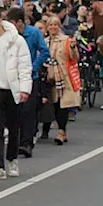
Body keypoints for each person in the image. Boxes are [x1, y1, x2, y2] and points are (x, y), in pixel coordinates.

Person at [0, 7, 32, 180]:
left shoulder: (16, 41)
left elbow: (24, 66)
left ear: (0, 20)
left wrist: (25, 89)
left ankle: (12, 160)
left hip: (13, 90)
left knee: (13, 128)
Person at [9, 8, 48, 157]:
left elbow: (44, 51)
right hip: (12, 77)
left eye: (12, 23)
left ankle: (26, 143)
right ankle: (17, 142)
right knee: (14, 111)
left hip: (30, 77)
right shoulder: (8, 36)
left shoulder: (33, 33)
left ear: (19, 22)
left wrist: (33, 67)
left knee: (28, 111)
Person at [41, 16, 81, 144]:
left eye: (56, 25)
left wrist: (73, 47)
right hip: (48, 76)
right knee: (49, 104)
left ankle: (61, 131)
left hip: (62, 76)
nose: (53, 27)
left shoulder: (66, 40)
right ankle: (46, 131)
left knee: (61, 105)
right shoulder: (44, 41)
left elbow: (74, 58)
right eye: (51, 25)